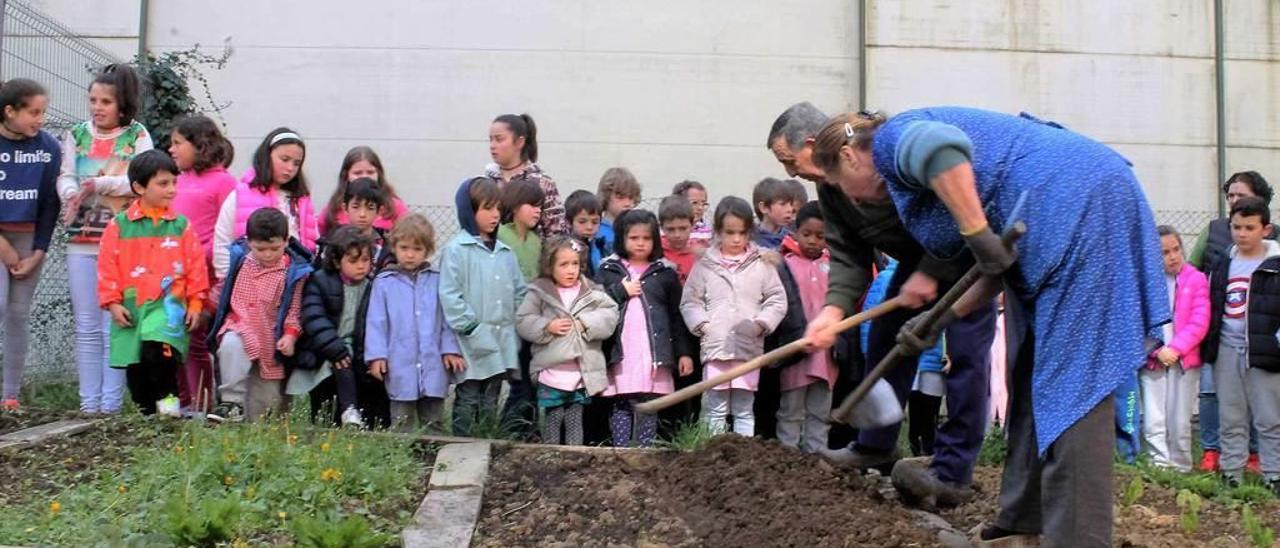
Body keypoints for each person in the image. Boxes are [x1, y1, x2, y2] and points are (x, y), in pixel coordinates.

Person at [808, 107, 1168, 545]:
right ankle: (1022, 521)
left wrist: (977, 234)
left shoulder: (893, 140)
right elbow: (990, 268)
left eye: (836, 185)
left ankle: (1077, 539)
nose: (849, 199)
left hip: (1080, 208)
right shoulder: (909, 191)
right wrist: (939, 318)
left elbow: (943, 150)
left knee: (1075, 389)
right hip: (1043, 236)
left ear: (849, 156)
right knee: (1027, 371)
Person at [768, 102, 995, 510]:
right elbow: (848, 253)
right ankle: (876, 444)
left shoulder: (884, 157)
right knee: (886, 343)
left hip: (966, 258)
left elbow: (947, 211)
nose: (791, 173)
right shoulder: (830, 187)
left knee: (967, 359)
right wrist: (833, 311)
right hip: (915, 265)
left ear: (812, 144)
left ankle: (953, 470)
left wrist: (931, 270)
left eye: (790, 161)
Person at [57, 64, 152, 415]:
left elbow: (139, 180)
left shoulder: (138, 136)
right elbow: (65, 175)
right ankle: (89, 404)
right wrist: (70, 192)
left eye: (106, 101)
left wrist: (98, 185)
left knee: (117, 322)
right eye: (93, 100)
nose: (97, 107)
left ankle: (110, 406)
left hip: (122, 241)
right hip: (80, 237)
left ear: (122, 104)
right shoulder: (77, 134)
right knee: (86, 325)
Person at [97, 149, 207, 416]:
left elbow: (196, 266)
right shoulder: (119, 226)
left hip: (168, 307)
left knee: (161, 359)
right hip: (131, 308)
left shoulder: (181, 226)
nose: (171, 189)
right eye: (163, 183)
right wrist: (112, 303)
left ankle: (169, 417)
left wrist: (195, 303)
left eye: (173, 182)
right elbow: (107, 267)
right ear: (139, 186)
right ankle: (145, 420)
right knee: (137, 369)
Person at [681, 197, 787, 436]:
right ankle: (710, 454)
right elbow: (690, 301)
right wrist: (703, 325)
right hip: (716, 346)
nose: (736, 239)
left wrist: (761, 324)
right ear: (718, 231)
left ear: (750, 231)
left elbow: (777, 300)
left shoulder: (762, 264)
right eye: (729, 232)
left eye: (742, 232)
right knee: (714, 408)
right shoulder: (706, 265)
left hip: (747, 348)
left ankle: (743, 458)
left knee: (743, 409)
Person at [1188, 170, 1271, 472]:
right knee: (1211, 392)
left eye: (1241, 195)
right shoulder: (1213, 232)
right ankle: (1213, 452)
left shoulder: (1273, 242)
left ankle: (1256, 456)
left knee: (1260, 399)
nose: (1234, 200)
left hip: (1259, 335)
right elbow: (1192, 274)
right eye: (1231, 195)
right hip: (1219, 328)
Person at [1200, 197, 1280, 493]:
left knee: (1269, 418)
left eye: (1249, 227)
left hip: (1264, 353)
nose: (1242, 234)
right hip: (1226, 349)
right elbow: (1213, 301)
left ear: (1266, 229)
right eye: (1236, 227)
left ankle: (1274, 475)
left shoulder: (1275, 264)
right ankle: (1232, 473)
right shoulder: (1224, 262)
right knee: (1231, 415)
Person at [207, 208, 313, 423]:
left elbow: (295, 310)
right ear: (248, 242)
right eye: (260, 249)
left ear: (286, 241)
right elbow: (224, 292)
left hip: (270, 341)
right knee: (230, 344)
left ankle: (259, 435)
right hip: (240, 325)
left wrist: (290, 335)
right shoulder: (241, 262)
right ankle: (231, 402)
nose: (267, 255)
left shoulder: (294, 273)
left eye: (274, 248)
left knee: (264, 404)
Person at [598, 209, 694, 446]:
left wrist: (683, 353)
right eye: (634, 238)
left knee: (649, 402)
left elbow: (676, 317)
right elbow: (596, 304)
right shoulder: (608, 270)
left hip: (653, 354)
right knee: (622, 400)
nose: (641, 243)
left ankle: (643, 450)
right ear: (621, 238)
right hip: (621, 353)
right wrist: (621, 291)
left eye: (646, 238)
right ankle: (621, 450)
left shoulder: (664, 274)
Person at [439, 177, 525, 436]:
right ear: (469, 210)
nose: (495, 215)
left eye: (498, 208)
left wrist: (521, 322)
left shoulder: (505, 253)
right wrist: (472, 328)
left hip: (501, 339)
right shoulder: (456, 250)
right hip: (471, 342)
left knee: (492, 395)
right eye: (487, 208)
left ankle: (487, 439)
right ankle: (461, 446)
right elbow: (450, 296)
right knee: (469, 395)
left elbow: (519, 292)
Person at [516, 236, 619, 445]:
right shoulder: (539, 292)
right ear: (549, 266)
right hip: (551, 370)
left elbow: (610, 313)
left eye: (575, 264)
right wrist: (546, 326)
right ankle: (552, 454)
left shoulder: (591, 291)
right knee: (553, 417)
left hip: (581, 371)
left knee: (575, 418)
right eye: (563, 265)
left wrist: (586, 323)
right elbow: (523, 320)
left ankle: (574, 456)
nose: (571, 270)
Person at [366, 215, 463, 433]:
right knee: (401, 421)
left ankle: (435, 460)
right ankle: (401, 462)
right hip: (400, 363)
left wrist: (450, 350)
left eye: (417, 249)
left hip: (433, 363)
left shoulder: (438, 279)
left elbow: (447, 319)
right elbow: (376, 323)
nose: (410, 254)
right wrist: (377, 356)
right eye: (404, 247)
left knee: (434, 421)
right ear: (394, 247)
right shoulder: (384, 283)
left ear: (428, 250)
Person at [169, 114, 236, 413]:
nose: (172, 150)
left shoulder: (224, 182)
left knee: (195, 341)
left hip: (204, 280)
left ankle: (201, 405)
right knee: (170, 341)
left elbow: (227, 231)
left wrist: (204, 265)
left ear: (200, 145)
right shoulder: (176, 181)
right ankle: (177, 403)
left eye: (178, 143)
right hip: (170, 279)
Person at [0, 79, 61, 410]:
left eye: (43, 112)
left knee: (18, 314)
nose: (40, 119)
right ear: (10, 111)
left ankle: (10, 396)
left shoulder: (48, 146)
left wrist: (39, 252)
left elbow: (51, 204)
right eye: (33, 113)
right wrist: (6, 250)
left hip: (29, 240)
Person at [293, 226, 377, 427]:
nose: (361, 267)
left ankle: (355, 419)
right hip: (325, 351)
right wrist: (334, 348)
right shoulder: (320, 282)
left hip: (357, 351)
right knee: (325, 401)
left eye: (365, 261)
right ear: (337, 261)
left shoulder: (372, 286)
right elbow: (314, 317)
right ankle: (346, 413)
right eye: (353, 261)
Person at [1141, 225, 1209, 472]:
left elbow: (1199, 321)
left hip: (1183, 360)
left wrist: (1176, 349)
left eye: (1176, 249)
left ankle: (1181, 468)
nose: (1173, 256)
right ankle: (1158, 467)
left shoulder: (1196, 278)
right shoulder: (1146, 283)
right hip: (1154, 359)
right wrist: (1156, 350)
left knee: (1180, 420)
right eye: (1165, 252)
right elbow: (1139, 321)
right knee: (1154, 418)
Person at [212, 127, 319, 280]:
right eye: (284, 159)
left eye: (296, 163)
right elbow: (222, 241)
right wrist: (227, 279)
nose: (290, 168)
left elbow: (312, 238)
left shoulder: (301, 199)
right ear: (267, 156)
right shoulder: (241, 195)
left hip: (294, 284)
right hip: (249, 286)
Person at [775, 201, 836, 452]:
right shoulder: (784, 264)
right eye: (806, 234)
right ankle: (787, 459)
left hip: (826, 352)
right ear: (795, 232)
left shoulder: (835, 267)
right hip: (796, 350)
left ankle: (817, 459)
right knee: (791, 409)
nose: (812, 241)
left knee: (820, 411)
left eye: (820, 236)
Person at [497, 180, 545, 440]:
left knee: (530, 382)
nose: (537, 211)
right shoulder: (502, 236)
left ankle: (525, 431)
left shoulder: (536, 241)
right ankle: (509, 432)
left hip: (532, 323)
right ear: (514, 205)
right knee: (520, 383)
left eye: (540, 206)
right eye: (531, 205)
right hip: (508, 323)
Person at [485, 113, 565, 237]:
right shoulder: (487, 182)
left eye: (499, 139)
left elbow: (557, 233)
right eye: (491, 139)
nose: (492, 145)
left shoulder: (542, 182)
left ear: (519, 142)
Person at [319, 146, 409, 235]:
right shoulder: (333, 207)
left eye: (370, 172)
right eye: (357, 173)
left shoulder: (395, 207)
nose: (364, 177)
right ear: (346, 175)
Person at [315, 178, 394, 271]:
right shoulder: (331, 242)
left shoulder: (387, 246)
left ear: (379, 211)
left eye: (370, 207)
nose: (362, 214)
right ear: (345, 208)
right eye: (356, 207)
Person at [658, 194, 703, 284]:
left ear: (693, 225)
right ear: (661, 227)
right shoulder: (655, 251)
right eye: (671, 229)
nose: (677, 235)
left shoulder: (700, 254)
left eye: (683, 228)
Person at [596, 167, 641, 257]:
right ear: (606, 197)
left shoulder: (636, 230)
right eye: (621, 197)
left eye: (631, 198)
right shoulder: (597, 232)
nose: (627, 203)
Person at [565, 190, 605, 276]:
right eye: (582, 222)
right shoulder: (565, 249)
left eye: (595, 222)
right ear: (569, 222)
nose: (589, 227)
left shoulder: (600, 245)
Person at [752, 177, 795, 249]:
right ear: (764, 208)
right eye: (782, 204)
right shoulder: (750, 240)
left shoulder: (793, 239)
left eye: (790, 204)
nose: (790, 209)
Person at [673, 180, 712, 245]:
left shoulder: (708, 233)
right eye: (694, 203)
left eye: (703, 203)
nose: (700, 208)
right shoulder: (669, 231)